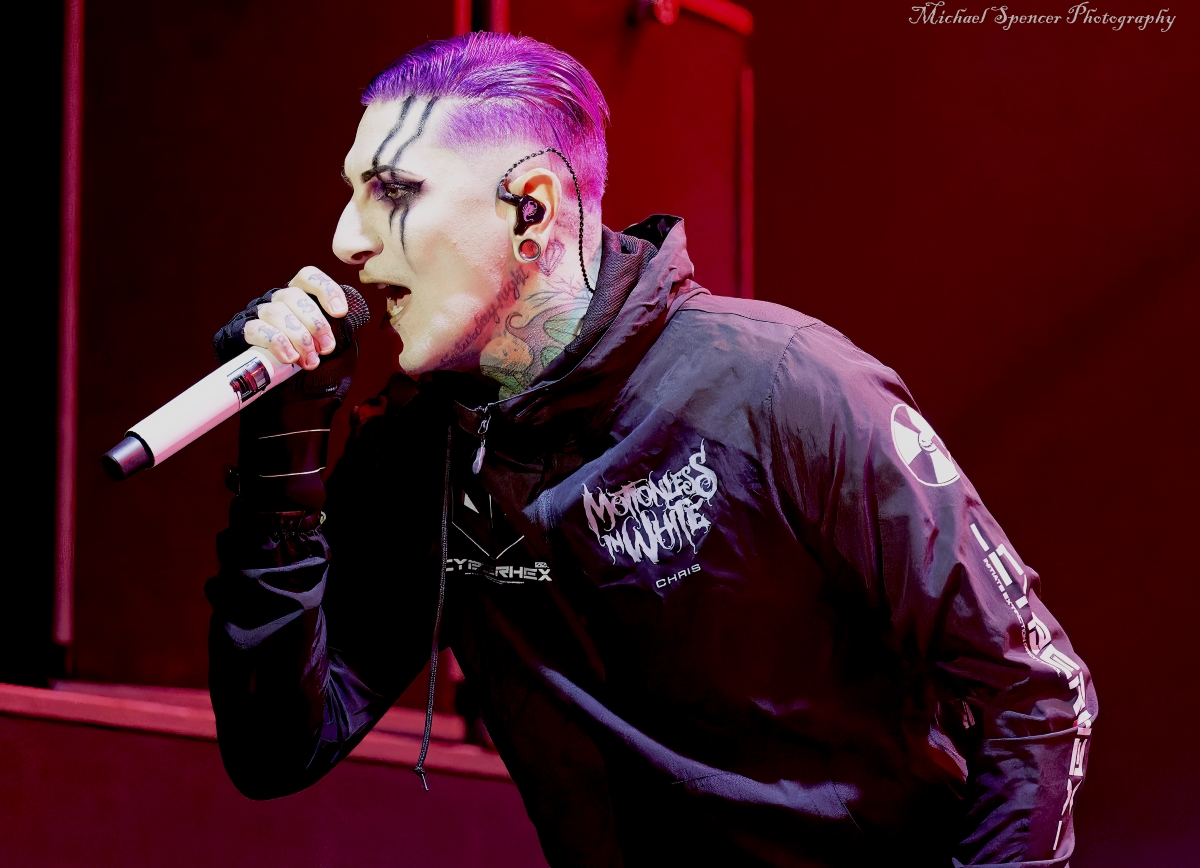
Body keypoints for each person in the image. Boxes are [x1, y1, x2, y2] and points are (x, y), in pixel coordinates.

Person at [206, 32, 1095, 867]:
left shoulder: (784, 383)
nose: (347, 240)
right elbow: (278, 750)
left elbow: (1035, 690)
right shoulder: (425, 447)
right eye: (352, 191)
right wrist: (282, 472)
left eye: (393, 191)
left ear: (531, 208)